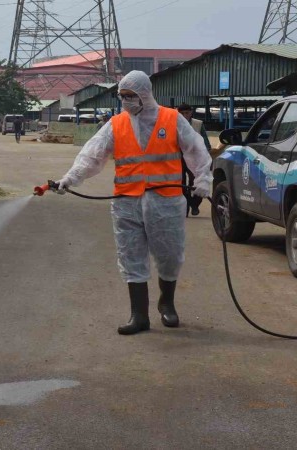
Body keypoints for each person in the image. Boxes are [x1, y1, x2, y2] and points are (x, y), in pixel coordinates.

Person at [54, 70, 211, 335]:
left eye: (131, 96)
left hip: (166, 202)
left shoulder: (171, 119)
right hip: (127, 202)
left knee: (170, 256)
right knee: (131, 256)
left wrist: (203, 178)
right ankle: (139, 315)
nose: (126, 101)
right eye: (122, 96)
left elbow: (195, 148)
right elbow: (92, 156)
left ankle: (167, 304)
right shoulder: (116, 124)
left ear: (145, 94)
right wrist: (69, 179)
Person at [177, 103, 212, 216]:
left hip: (194, 157)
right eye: (181, 113)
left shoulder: (198, 124)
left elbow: (205, 141)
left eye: (186, 113)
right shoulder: (174, 123)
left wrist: (206, 155)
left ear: (191, 113)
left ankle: (195, 204)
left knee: (196, 181)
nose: (184, 115)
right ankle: (185, 206)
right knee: (180, 182)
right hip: (178, 157)